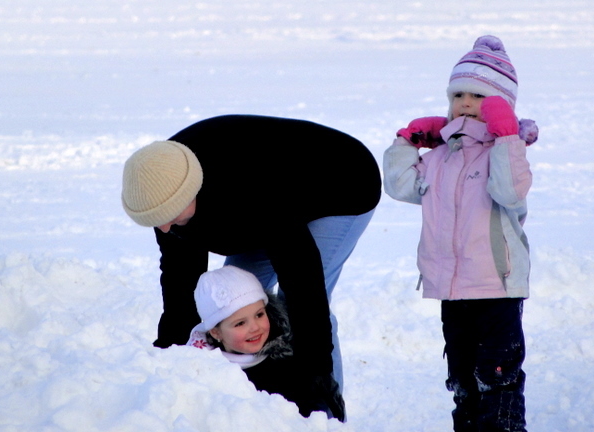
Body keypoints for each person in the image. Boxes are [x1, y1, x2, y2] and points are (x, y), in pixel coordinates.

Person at [121, 115, 382, 422]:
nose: (164, 228)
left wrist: (317, 371)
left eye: (169, 215)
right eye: (155, 220)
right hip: (270, 200)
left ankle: (322, 414)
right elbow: (181, 281)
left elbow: (303, 280)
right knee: (232, 304)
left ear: (190, 192)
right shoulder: (162, 187)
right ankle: (250, 402)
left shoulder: (249, 190)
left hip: (342, 181)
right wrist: (173, 353)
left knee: (294, 303)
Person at [383, 36, 537, 432]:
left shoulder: (506, 154)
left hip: (496, 290)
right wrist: (407, 141)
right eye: (459, 95)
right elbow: (400, 184)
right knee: (463, 381)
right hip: (452, 292)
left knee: (497, 378)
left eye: (480, 96)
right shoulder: (440, 158)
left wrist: (506, 137)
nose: (466, 104)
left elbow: (509, 192)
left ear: (502, 106)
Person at [188, 265, 324, 415]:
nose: (255, 328)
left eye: (259, 315)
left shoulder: (286, 363)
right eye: (240, 323)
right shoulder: (203, 369)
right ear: (215, 333)